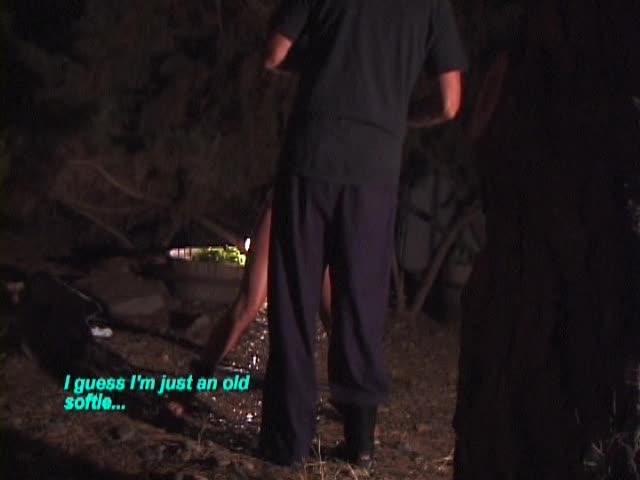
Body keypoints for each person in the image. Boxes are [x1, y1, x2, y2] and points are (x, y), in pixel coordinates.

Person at [259, 0, 468, 468]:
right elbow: (450, 102)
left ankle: (288, 441)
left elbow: (274, 53)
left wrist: (323, 69)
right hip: (375, 169)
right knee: (362, 301)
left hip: (312, 156)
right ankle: (360, 441)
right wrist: (398, 113)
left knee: (295, 299)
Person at [193, 199, 332, 374]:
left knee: (332, 316)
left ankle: (349, 387)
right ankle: (198, 375)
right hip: (286, 206)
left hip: (322, 211)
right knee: (247, 306)